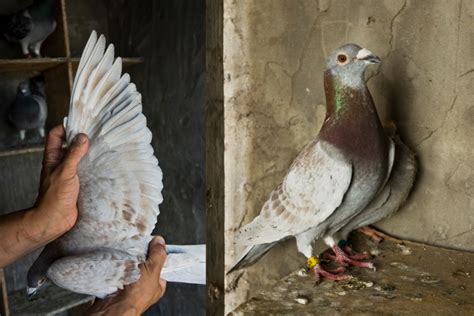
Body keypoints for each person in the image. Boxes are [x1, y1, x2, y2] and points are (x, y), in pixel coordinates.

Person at [0, 125, 167, 315]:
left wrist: (128, 307)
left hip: (144, 258)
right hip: (143, 253)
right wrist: (126, 308)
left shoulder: (58, 271)